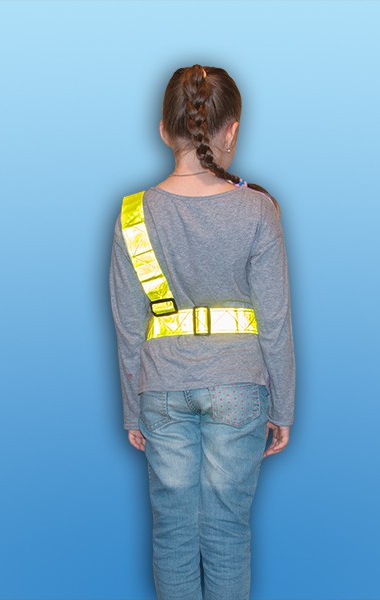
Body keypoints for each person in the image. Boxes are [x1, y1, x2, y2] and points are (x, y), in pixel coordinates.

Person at [108, 64, 295, 600]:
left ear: (163, 130)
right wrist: (283, 407)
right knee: (227, 531)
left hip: (161, 391)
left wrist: (131, 408)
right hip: (240, 388)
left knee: (172, 533)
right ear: (231, 130)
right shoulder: (258, 211)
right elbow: (276, 321)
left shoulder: (133, 215)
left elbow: (128, 326)